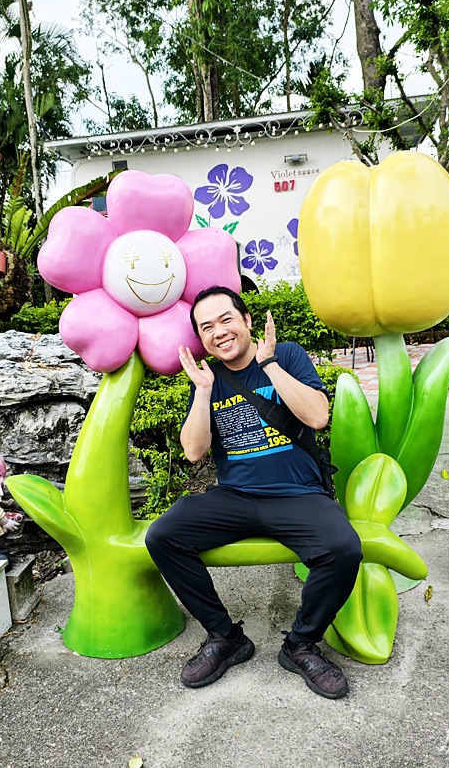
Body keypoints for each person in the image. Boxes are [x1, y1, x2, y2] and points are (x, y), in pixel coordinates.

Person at [145, 286, 362, 699]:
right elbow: (193, 452)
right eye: (206, 327)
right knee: (163, 536)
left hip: (299, 494)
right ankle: (225, 637)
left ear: (246, 321)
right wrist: (204, 391)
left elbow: (317, 416)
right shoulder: (206, 378)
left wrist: (270, 365)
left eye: (226, 319)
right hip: (237, 497)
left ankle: (300, 644)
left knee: (343, 548)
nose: (218, 332)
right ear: (201, 338)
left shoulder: (288, 355)